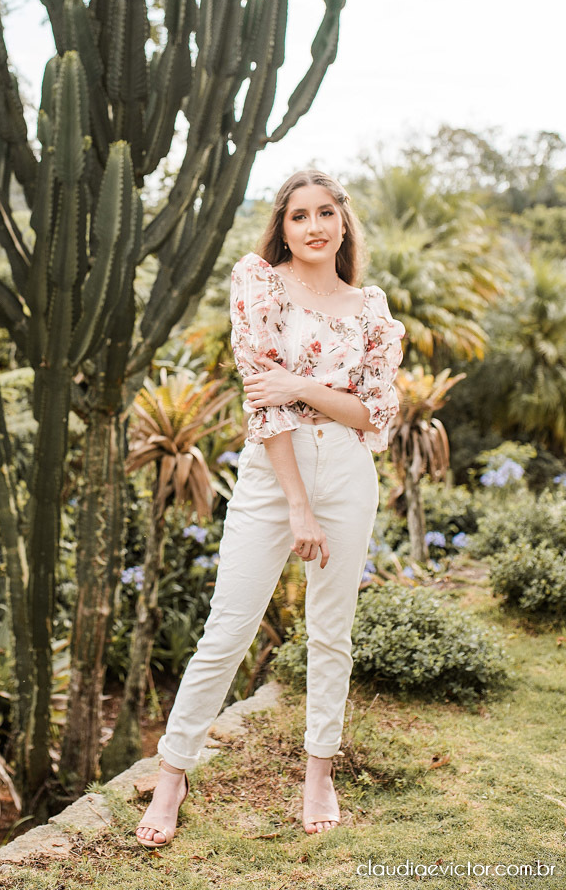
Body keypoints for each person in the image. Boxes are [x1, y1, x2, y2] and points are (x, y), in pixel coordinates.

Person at [135, 169, 405, 847]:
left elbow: (374, 413)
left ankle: (318, 774)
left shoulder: (371, 308)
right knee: (228, 628)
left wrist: (299, 384)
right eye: (298, 215)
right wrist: (297, 506)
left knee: (331, 631)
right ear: (281, 226)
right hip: (273, 474)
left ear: (343, 220)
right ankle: (172, 774)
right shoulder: (259, 282)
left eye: (325, 213)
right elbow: (265, 401)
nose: (313, 227)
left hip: (348, 471)